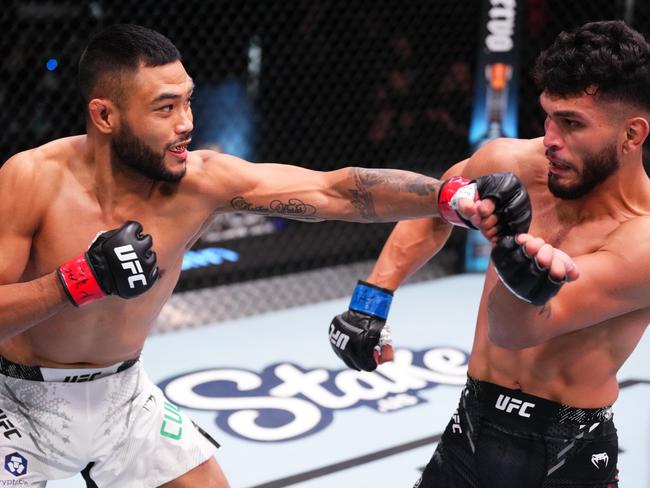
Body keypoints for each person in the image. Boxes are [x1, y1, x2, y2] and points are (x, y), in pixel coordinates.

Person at [0, 24, 528, 488]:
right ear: (104, 115)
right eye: (165, 107)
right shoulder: (32, 180)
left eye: (188, 101)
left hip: (124, 394)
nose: (185, 122)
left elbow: (336, 192)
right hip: (15, 402)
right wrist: (75, 281)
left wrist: (447, 197)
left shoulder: (199, 181)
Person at [328, 20, 650, 487]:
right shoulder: (511, 162)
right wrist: (371, 301)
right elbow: (434, 206)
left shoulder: (642, 240)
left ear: (632, 134)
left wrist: (508, 253)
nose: (551, 139)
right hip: (471, 425)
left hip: (566, 452)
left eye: (573, 123)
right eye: (549, 116)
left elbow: (515, 328)